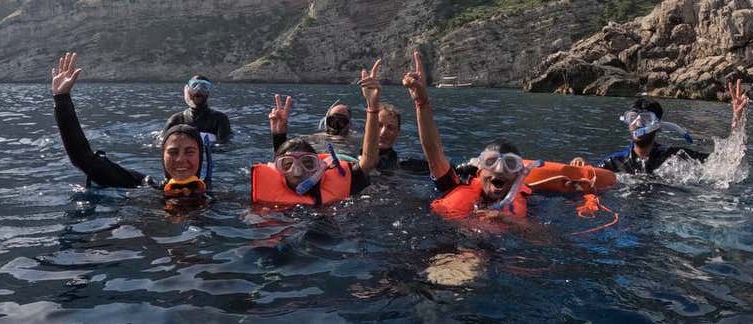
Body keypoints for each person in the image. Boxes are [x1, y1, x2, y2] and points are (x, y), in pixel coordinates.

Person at [50, 53, 211, 208]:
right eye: (173, 152)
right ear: (163, 155)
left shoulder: (217, 197)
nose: (181, 159)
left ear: (200, 155)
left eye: (189, 152)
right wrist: (62, 98)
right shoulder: (143, 186)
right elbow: (83, 158)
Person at [401, 50, 532, 220]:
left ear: (517, 176)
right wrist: (421, 102)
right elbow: (433, 153)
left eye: (510, 164)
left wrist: (507, 220)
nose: (499, 170)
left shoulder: (527, 204)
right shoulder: (456, 185)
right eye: (491, 162)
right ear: (479, 172)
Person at [251, 60, 383, 206]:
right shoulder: (312, 138)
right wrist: (279, 135)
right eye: (333, 120)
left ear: (349, 124)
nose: (297, 172)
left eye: (342, 120)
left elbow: (369, 160)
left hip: (341, 168)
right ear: (326, 120)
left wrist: (372, 106)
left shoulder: (356, 140)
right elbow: (286, 158)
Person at [569, 80, 749, 174]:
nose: (637, 123)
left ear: (658, 126)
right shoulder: (614, 162)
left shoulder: (676, 158)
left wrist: (737, 120)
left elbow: (726, 163)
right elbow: (589, 177)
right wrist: (580, 164)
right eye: (632, 118)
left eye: (646, 119)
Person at [163, 75, 232, 145]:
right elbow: (163, 145)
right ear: (188, 91)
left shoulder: (219, 119)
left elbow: (224, 147)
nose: (199, 89)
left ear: (208, 93)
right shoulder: (176, 120)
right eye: (194, 85)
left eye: (204, 87)